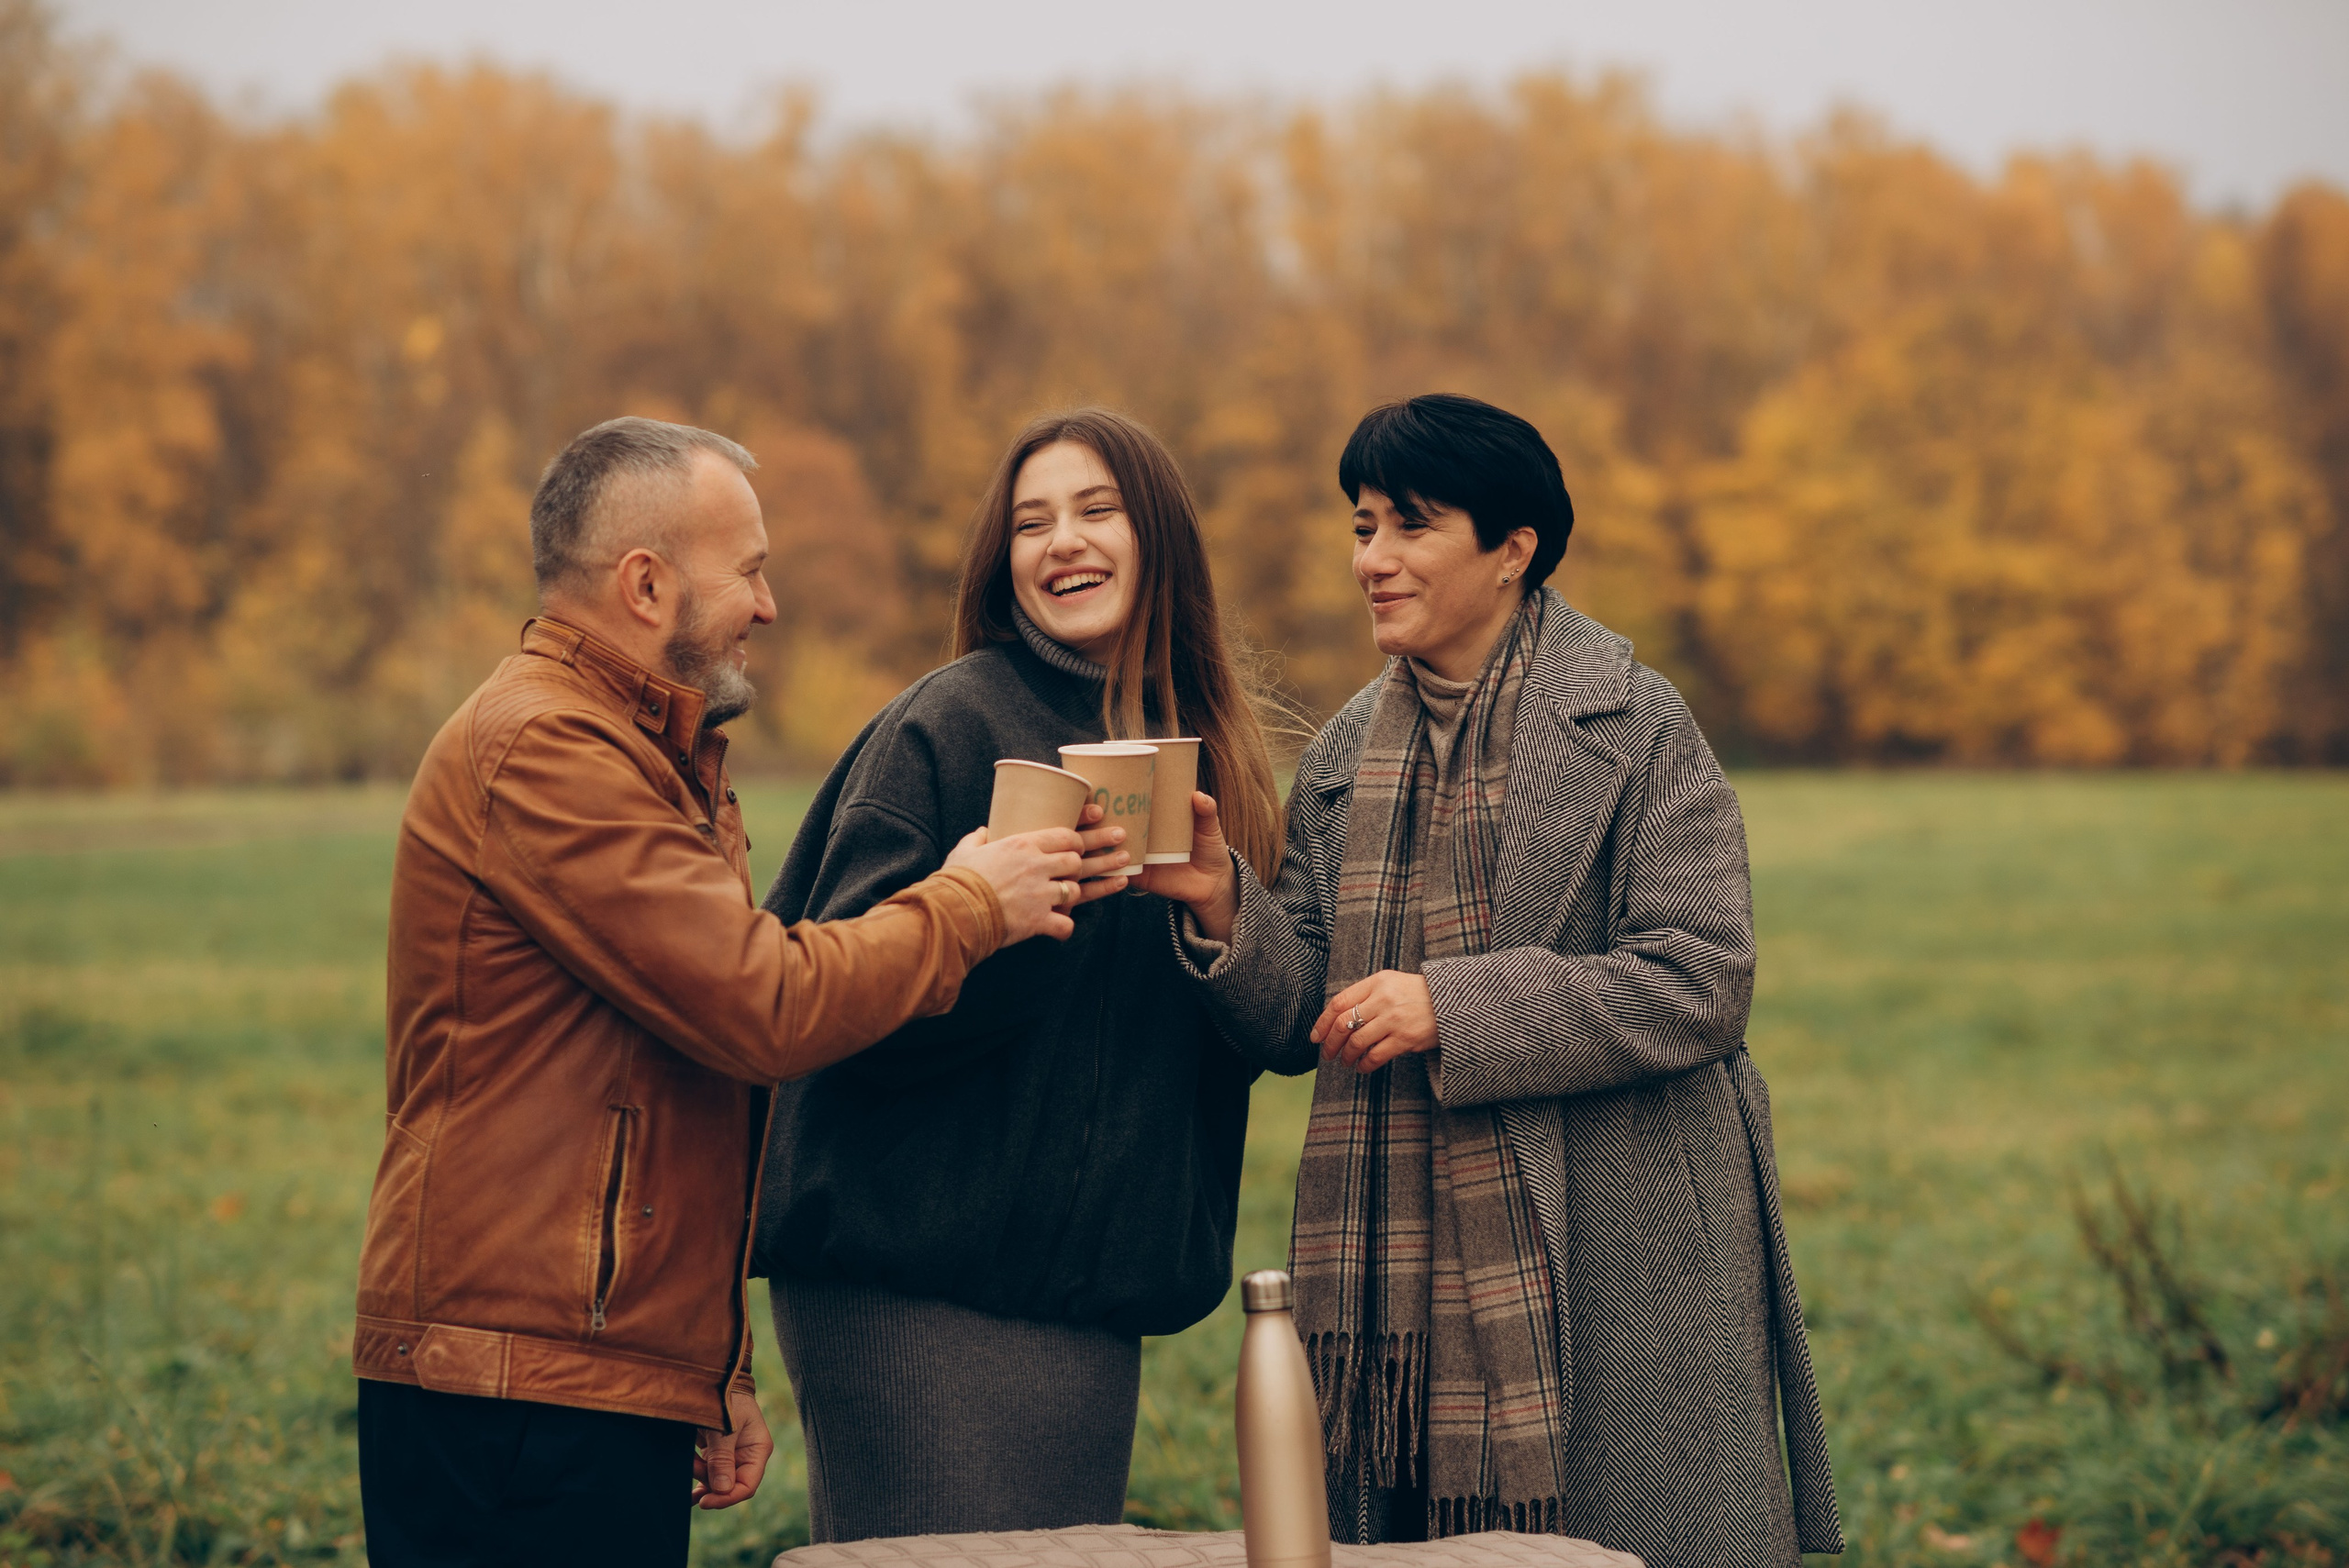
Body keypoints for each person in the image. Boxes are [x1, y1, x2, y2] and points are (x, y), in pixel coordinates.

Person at [352, 417, 1112, 1568]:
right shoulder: (546, 751)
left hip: (583, 1371)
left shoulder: (647, 752)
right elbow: (761, 1005)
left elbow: (677, 1094)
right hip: (512, 1389)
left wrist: (711, 1369)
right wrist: (970, 903)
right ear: (646, 584)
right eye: (748, 570)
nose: (768, 604)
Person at [1148, 395, 1844, 1567]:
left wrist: (1452, 1005)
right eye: (1362, 527)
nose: (1371, 559)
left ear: (1513, 547)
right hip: (1397, 1286)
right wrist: (1223, 899)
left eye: (1410, 525)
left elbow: (1699, 975)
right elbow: (1304, 1011)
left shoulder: (1635, 721)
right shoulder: (1345, 751)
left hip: (1620, 1244)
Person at [751, 407, 1287, 1541]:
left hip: (1087, 1293)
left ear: (1159, 537)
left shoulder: (1211, 756)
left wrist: (1222, 911)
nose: (1062, 542)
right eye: (1031, 522)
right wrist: (981, 916)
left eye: (1096, 510)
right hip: (907, 1278)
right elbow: (817, 1004)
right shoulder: (947, 724)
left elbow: (1269, 1033)